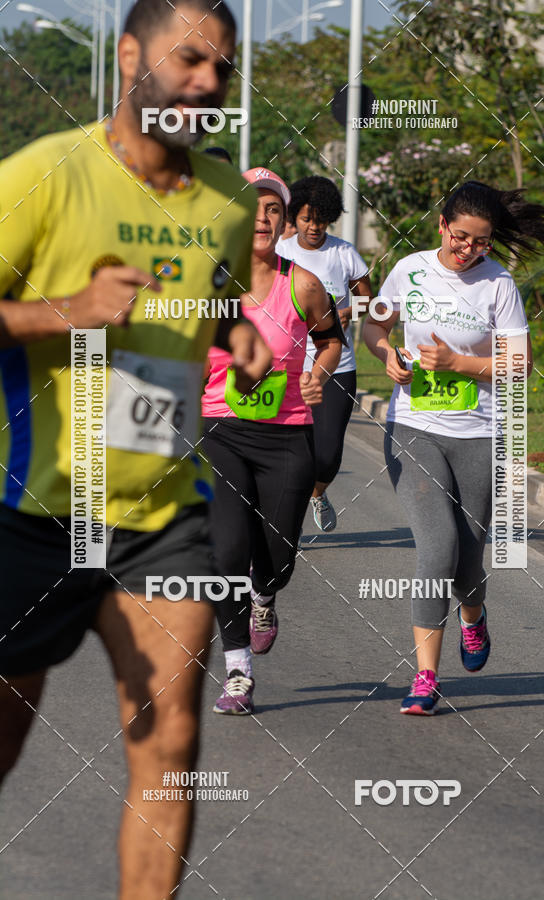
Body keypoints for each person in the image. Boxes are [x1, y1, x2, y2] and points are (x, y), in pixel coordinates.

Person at [0, 2, 271, 897]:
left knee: (171, 741)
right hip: (33, 510)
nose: (207, 82)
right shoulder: (46, 174)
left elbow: (208, 296)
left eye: (223, 68)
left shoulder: (230, 201)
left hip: (165, 515)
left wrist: (234, 331)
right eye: (188, 59)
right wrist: (60, 314)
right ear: (127, 57)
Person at [364, 181, 544, 715]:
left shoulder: (499, 285)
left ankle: (474, 617)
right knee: (438, 546)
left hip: (480, 434)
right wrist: (385, 354)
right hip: (414, 427)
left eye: (482, 242)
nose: (469, 249)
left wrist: (460, 365)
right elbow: (374, 322)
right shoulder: (410, 268)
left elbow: (520, 364)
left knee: (469, 557)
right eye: (461, 237)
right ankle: (426, 676)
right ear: (442, 224)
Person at [202, 167, 342, 715]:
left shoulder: (302, 283)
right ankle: (238, 671)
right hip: (221, 432)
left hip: (286, 436)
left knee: (278, 558)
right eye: (250, 209)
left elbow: (331, 340)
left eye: (272, 211)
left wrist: (321, 371)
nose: (261, 219)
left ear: (284, 220)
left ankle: (265, 596)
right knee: (227, 551)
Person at [277, 175, 373, 532]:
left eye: (320, 220)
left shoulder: (343, 253)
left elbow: (367, 297)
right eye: (306, 219)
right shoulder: (282, 254)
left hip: (338, 366)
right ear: (294, 218)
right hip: (287, 368)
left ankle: (318, 493)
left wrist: (350, 312)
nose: (314, 227)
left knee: (328, 454)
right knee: (292, 456)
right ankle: (286, 524)